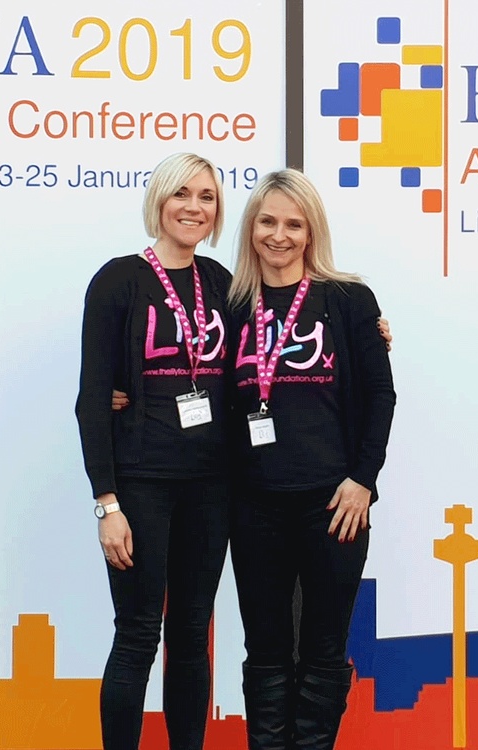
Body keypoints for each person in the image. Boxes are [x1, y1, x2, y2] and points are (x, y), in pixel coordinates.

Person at [226, 169, 396, 750]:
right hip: (253, 507)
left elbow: (380, 395)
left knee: (324, 649)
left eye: (294, 224)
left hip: (335, 504)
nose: (280, 235)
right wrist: (122, 393)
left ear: (311, 231)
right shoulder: (230, 306)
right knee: (266, 650)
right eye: (268, 222)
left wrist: (363, 481)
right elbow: (183, 375)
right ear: (251, 229)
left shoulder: (348, 301)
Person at [75, 153, 234, 750]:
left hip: (212, 485)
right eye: (182, 195)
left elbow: (281, 323)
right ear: (159, 202)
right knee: (139, 632)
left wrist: (365, 324)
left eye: (207, 197)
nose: (194, 207)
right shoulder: (119, 280)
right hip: (140, 483)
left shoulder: (221, 282)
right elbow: (93, 398)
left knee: (192, 634)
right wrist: (106, 503)